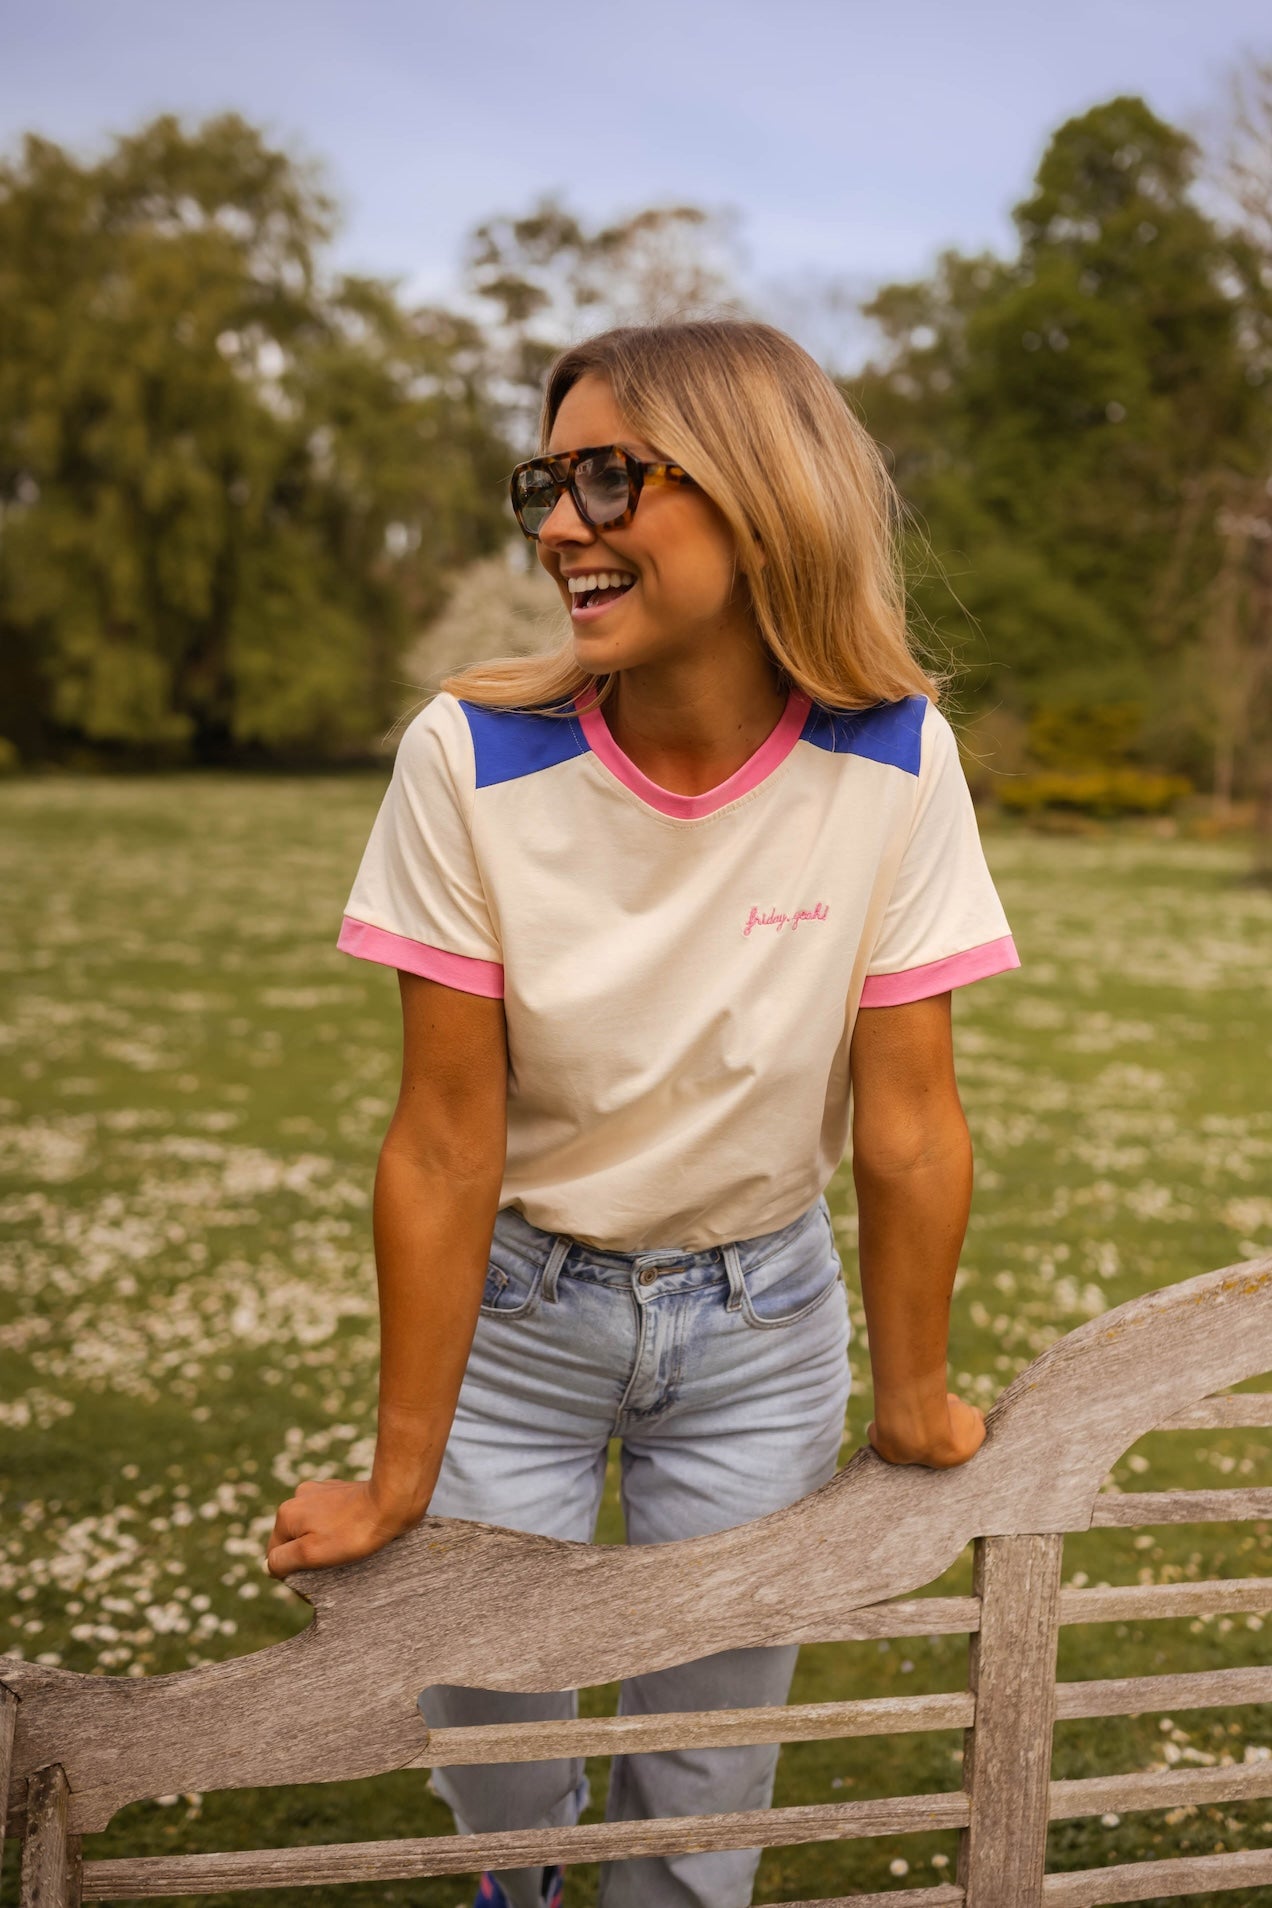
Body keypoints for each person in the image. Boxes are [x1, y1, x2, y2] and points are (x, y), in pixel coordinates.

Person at [265, 320, 1019, 1908]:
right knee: (494, 1734)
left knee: (702, 1784)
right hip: (520, 1324)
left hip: (764, 1330)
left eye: (610, 479)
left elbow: (909, 1121)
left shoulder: (898, 756)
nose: (560, 525)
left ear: (762, 496)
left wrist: (914, 1399)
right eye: (545, 483)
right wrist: (398, 1476)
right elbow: (445, 1141)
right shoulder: (468, 754)